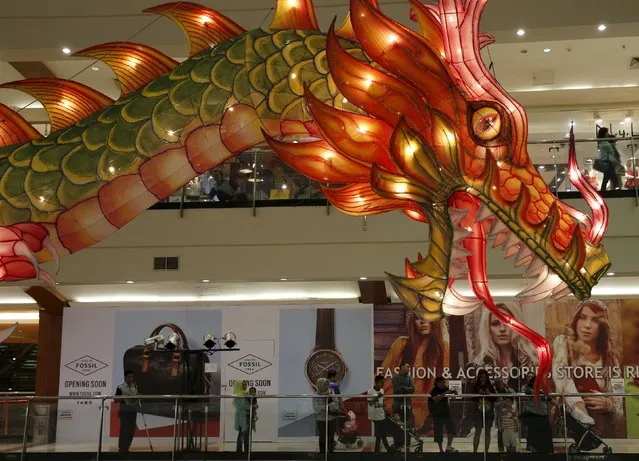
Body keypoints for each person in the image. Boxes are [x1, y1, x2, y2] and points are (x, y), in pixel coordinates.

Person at [552, 300, 623, 435]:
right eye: (582, 318)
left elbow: (619, 406)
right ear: (576, 320)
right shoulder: (563, 343)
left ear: (602, 326)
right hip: (570, 425)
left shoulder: (611, 360)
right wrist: (578, 407)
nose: (587, 325)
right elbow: (562, 377)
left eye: (595, 320)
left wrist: (609, 404)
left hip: (600, 427)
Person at [380, 312, 448, 431]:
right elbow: (383, 377)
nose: (423, 322)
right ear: (413, 322)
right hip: (390, 405)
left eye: (427, 317)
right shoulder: (400, 344)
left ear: (435, 321)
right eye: (418, 318)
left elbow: (443, 383)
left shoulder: (442, 349)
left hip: (418, 410)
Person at [470, 303, 538, 391]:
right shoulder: (478, 367)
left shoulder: (532, 362)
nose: (502, 329)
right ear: (487, 328)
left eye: (508, 322)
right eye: (495, 323)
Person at [521, 374, 554, 454]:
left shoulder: (543, 390)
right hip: (533, 416)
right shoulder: (526, 388)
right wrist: (540, 393)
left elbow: (549, 400)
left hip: (543, 416)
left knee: (546, 437)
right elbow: (528, 392)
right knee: (534, 438)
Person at [427, 376, 458, 453]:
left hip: (446, 412)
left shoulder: (445, 388)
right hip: (437, 413)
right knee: (438, 432)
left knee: (451, 428)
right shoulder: (434, 390)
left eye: (443, 382)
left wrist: (454, 393)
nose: (442, 384)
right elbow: (436, 399)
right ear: (436, 383)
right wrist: (445, 393)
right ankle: (440, 449)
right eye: (440, 382)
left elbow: (451, 396)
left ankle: (449, 446)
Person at [469, 369, 496, 453]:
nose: (483, 378)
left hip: (489, 411)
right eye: (481, 377)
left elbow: (495, 398)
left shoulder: (490, 386)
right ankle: (475, 452)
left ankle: (486, 452)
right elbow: (471, 398)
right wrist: (478, 395)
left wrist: (489, 394)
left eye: (484, 377)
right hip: (478, 412)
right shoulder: (475, 386)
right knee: (478, 431)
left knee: (487, 432)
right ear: (479, 377)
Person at [368, 375, 394, 452]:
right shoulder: (370, 391)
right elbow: (370, 403)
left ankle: (378, 449)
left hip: (381, 414)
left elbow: (382, 402)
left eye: (383, 382)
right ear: (376, 382)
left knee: (380, 433)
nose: (383, 384)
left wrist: (386, 409)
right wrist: (377, 397)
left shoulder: (382, 390)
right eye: (381, 382)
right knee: (382, 433)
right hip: (374, 416)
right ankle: (387, 448)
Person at [115, 370, 140, 453]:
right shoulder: (120, 387)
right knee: (124, 430)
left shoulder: (135, 386)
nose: (131, 379)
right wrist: (124, 398)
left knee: (131, 430)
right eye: (129, 377)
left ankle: (127, 447)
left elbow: (140, 395)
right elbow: (116, 399)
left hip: (133, 410)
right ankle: (122, 448)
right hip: (124, 410)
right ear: (125, 377)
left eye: (132, 377)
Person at [313, 378, 339, 453]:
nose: (326, 386)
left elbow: (336, 403)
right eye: (325, 385)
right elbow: (316, 408)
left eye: (327, 384)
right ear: (320, 385)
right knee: (322, 436)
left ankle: (331, 453)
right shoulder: (316, 394)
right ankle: (322, 453)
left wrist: (330, 405)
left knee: (331, 436)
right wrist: (324, 407)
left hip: (331, 418)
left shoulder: (331, 392)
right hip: (321, 419)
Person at [493, 377, 516, 453]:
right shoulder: (493, 391)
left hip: (509, 414)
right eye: (497, 383)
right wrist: (503, 402)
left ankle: (510, 449)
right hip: (500, 415)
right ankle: (501, 450)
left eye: (500, 382)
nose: (499, 384)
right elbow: (494, 404)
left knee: (509, 432)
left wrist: (508, 387)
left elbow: (514, 395)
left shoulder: (506, 390)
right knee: (500, 432)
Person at [596, 127, 622, 191]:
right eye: (607, 132)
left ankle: (604, 190)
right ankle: (614, 190)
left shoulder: (604, 142)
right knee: (611, 177)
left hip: (609, 162)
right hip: (608, 162)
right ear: (604, 133)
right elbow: (606, 153)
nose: (608, 133)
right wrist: (614, 160)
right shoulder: (603, 143)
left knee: (608, 177)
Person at [391, 362, 415, 428]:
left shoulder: (409, 378)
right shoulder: (394, 378)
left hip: (407, 404)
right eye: (407, 366)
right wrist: (407, 389)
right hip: (397, 405)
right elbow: (396, 390)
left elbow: (413, 389)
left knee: (408, 424)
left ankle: (407, 438)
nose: (409, 368)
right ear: (402, 367)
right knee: (397, 425)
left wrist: (402, 387)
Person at [233, 380, 250, 453]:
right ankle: (239, 452)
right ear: (239, 385)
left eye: (245, 384)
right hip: (241, 417)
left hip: (246, 416)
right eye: (243, 384)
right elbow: (243, 406)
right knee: (241, 434)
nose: (245, 386)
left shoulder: (245, 394)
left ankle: (246, 451)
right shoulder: (238, 395)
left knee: (246, 435)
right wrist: (252, 406)